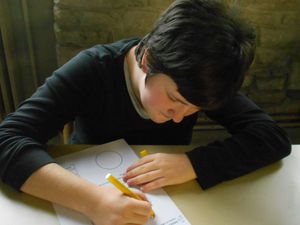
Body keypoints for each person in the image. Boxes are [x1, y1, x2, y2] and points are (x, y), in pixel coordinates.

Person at [0, 0, 291, 224]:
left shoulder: (200, 79)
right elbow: (7, 140)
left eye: (195, 110)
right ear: (148, 59)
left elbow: (271, 137)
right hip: (84, 191)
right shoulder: (92, 69)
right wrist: (93, 201)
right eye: (173, 100)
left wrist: (193, 163)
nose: (180, 117)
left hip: (165, 196)